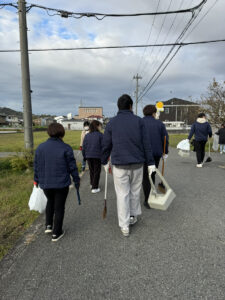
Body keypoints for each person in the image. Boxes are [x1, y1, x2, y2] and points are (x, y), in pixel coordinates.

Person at [102, 94, 155, 237]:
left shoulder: (112, 123)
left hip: (119, 165)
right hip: (137, 164)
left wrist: (104, 161)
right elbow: (146, 144)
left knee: (122, 194)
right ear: (131, 106)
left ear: (118, 107)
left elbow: (106, 144)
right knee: (134, 192)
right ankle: (132, 215)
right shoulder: (139, 121)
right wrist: (151, 163)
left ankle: (124, 225)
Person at [34, 123, 80, 242]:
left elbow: (37, 166)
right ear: (62, 133)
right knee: (59, 207)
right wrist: (76, 180)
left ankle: (48, 225)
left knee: (50, 201)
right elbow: (72, 167)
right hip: (61, 183)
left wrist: (36, 180)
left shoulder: (40, 147)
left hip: (45, 183)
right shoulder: (66, 147)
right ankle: (57, 232)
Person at [142, 105, 169, 209]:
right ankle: (151, 196)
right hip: (156, 153)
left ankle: (147, 199)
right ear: (154, 113)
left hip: (143, 153)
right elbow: (165, 138)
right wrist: (165, 152)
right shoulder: (160, 124)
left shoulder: (140, 122)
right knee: (152, 174)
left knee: (145, 176)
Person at [82, 120, 103, 194]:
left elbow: (84, 147)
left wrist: (84, 156)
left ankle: (92, 184)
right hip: (97, 156)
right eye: (100, 125)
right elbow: (103, 146)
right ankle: (95, 187)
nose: (101, 127)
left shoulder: (87, 135)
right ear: (97, 126)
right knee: (97, 171)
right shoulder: (100, 135)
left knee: (92, 170)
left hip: (88, 156)